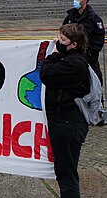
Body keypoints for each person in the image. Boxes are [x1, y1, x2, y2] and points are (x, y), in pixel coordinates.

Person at [40, 23, 91, 198]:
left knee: (66, 174)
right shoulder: (73, 59)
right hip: (64, 121)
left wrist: (54, 54)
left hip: (68, 123)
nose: (59, 42)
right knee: (64, 170)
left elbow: (46, 74)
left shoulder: (74, 64)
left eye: (63, 40)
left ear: (74, 44)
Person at [62, 0, 105, 84]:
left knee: (94, 81)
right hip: (72, 56)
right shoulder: (70, 16)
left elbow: (99, 38)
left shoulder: (93, 18)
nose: (75, 1)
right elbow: (63, 32)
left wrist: (89, 52)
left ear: (84, 1)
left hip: (88, 57)